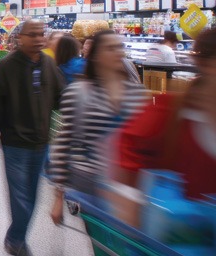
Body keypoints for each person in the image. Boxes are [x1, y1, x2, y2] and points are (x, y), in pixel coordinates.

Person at [0, 20, 66, 256]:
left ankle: (14, 237)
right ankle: (16, 240)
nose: (39, 39)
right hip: (15, 143)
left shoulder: (48, 64)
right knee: (20, 198)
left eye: (42, 34)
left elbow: (60, 96)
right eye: (33, 35)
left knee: (32, 196)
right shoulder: (5, 67)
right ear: (21, 37)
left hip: (41, 143)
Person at [48, 30, 150, 225]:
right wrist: (58, 196)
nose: (118, 52)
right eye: (110, 48)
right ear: (96, 56)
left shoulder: (137, 94)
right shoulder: (78, 93)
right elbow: (64, 143)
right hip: (89, 183)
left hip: (127, 185)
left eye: (119, 47)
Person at [116, 28, 216, 202]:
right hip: (181, 224)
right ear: (207, 64)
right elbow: (129, 149)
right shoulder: (169, 110)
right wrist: (130, 198)